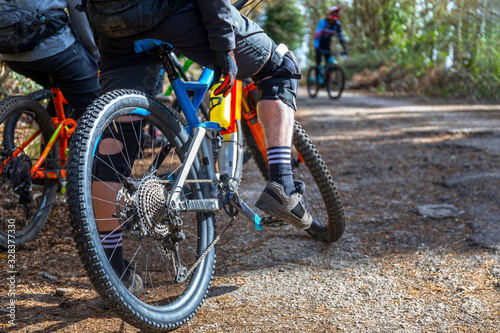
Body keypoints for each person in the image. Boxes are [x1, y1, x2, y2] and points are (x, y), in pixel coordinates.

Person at [83, 0, 313, 294]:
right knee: (281, 67)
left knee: (117, 137)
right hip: (171, 14)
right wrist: (223, 44)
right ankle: (283, 185)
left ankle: (111, 273)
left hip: (111, 22)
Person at [0, 0, 100, 118]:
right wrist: (96, 55)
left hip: (11, 54)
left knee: (67, 87)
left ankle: (51, 130)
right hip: (55, 50)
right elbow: (79, 14)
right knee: (97, 109)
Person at [314, 6, 347, 70]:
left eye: (337, 13)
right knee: (318, 62)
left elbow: (340, 37)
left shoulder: (337, 25)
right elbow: (317, 36)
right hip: (320, 43)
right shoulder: (323, 23)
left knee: (328, 62)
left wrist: (344, 48)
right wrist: (316, 46)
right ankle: (317, 76)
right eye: (334, 13)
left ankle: (327, 78)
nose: (336, 15)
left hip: (327, 43)